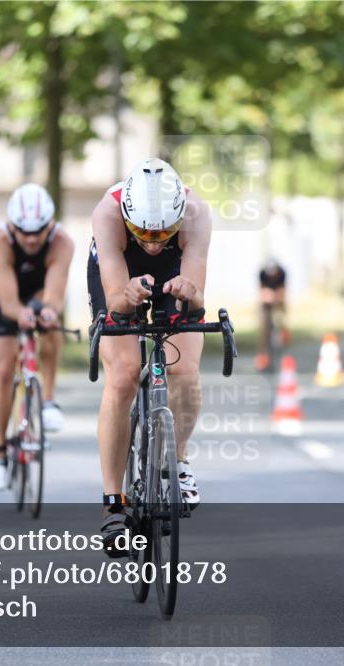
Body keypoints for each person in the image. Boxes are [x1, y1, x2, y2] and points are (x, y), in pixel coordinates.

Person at [88, 158, 210, 556]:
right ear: (127, 216)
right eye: (143, 231)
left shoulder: (196, 213)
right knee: (123, 374)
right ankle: (114, 503)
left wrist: (186, 294)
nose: (155, 242)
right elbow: (114, 299)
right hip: (122, 273)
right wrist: (128, 294)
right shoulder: (107, 213)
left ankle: (177, 462)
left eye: (164, 233)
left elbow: (195, 295)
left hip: (174, 274)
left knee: (185, 367)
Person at [0, 183, 75, 491]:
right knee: (4, 364)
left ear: (50, 225)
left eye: (39, 230)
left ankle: (47, 400)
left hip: (39, 290)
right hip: (5, 294)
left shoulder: (62, 242)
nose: (32, 238)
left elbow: (54, 292)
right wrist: (20, 315)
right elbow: (9, 302)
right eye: (24, 231)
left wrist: (48, 311)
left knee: (50, 326)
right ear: (12, 225)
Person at [255, 258, 288, 371]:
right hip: (266, 301)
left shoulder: (282, 273)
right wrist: (267, 296)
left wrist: (278, 299)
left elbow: (283, 291)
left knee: (282, 316)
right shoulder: (262, 273)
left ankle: (282, 334)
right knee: (264, 326)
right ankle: (263, 354)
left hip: (278, 296)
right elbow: (261, 291)